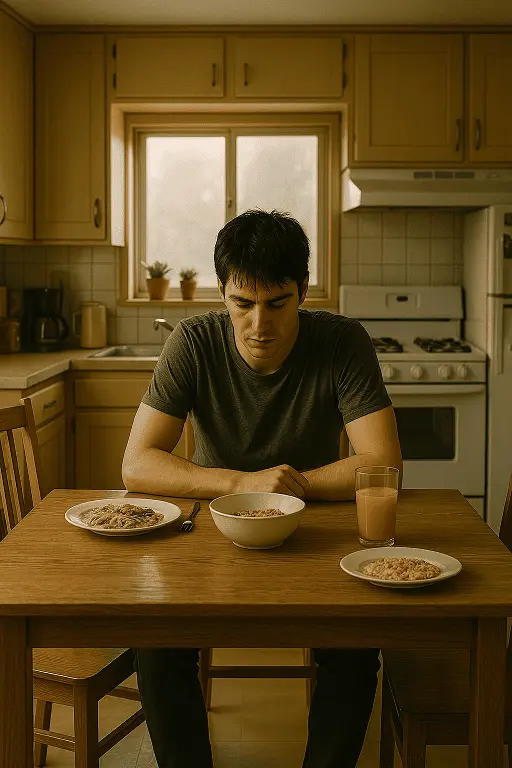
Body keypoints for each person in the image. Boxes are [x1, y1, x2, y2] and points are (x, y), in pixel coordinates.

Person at [122, 209, 403, 768]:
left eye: (277, 303)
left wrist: (287, 492)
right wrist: (242, 483)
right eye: (242, 304)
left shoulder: (342, 340)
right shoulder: (193, 341)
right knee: (155, 646)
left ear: (303, 292)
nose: (259, 325)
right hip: (207, 540)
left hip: (316, 539)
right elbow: (137, 464)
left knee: (355, 646)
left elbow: (383, 464)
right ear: (221, 292)